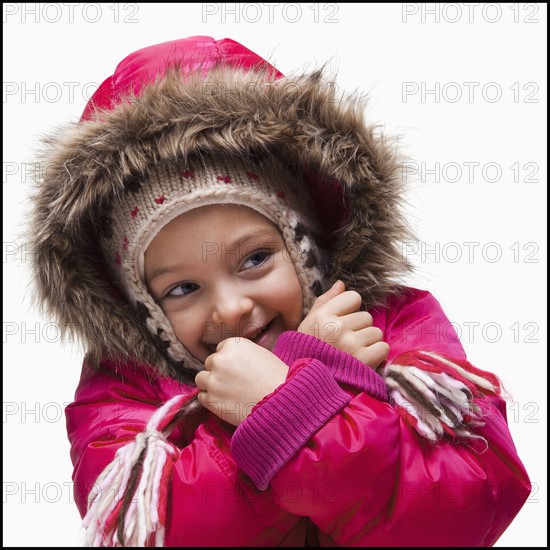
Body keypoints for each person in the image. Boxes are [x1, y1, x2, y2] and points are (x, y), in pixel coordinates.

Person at [29, 36, 531, 547]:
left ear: (306, 245)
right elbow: (160, 533)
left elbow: (466, 509)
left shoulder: (396, 327)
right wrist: (283, 396)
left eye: (254, 259)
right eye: (182, 288)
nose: (230, 307)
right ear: (144, 308)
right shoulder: (122, 396)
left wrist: (290, 397)